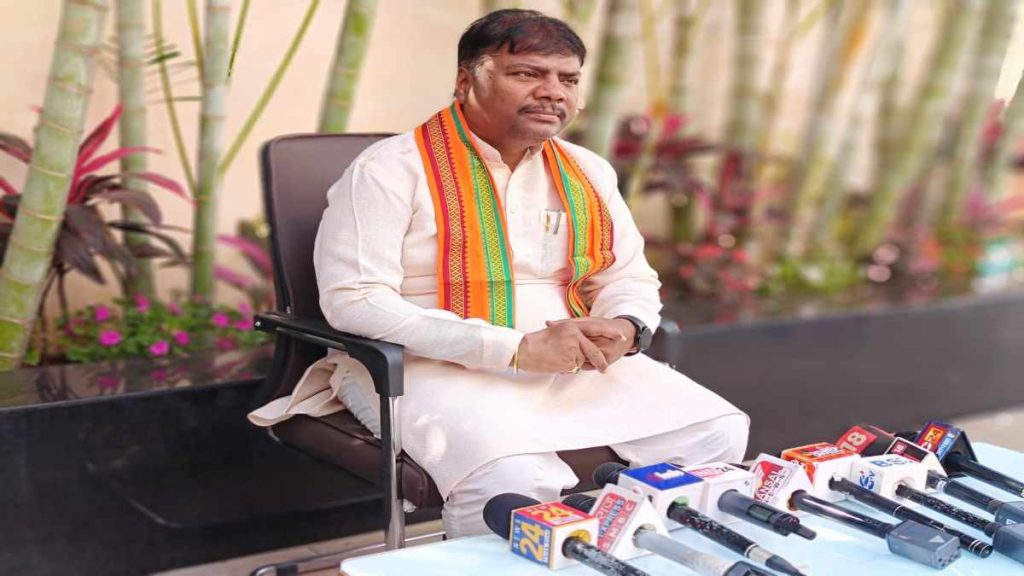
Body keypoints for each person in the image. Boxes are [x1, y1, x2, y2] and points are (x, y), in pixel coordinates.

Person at [250, 9, 749, 538]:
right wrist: (513, 349)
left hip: (571, 364)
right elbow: (355, 300)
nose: (553, 92)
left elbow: (628, 277)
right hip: (425, 367)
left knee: (712, 433)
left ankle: (628, 558)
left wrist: (626, 325)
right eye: (527, 73)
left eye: (568, 79)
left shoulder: (587, 171)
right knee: (511, 475)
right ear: (467, 81)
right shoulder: (389, 170)